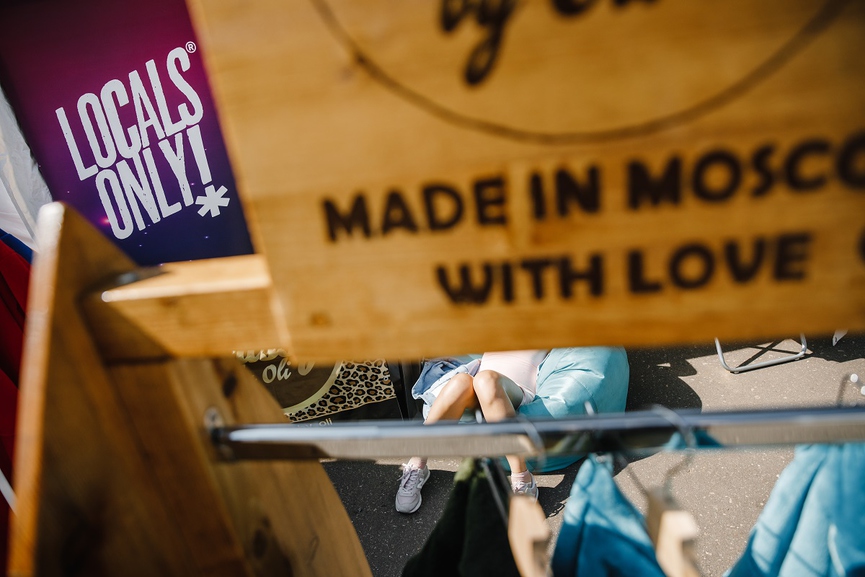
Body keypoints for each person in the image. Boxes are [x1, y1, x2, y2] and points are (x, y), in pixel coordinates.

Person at [396, 350, 549, 514]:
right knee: (460, 381)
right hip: (477, 387)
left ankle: (522, 478)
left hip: (515, 389)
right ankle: (417, 464)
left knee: (486, 379)